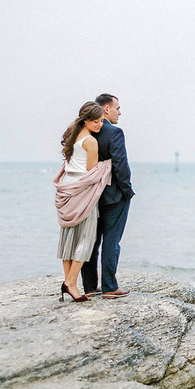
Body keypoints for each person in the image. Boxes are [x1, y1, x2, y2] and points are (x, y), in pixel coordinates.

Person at [53, 101, 112, 302]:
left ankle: (69, 283)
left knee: (69, 236)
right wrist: (108, 165)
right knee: (86, 237)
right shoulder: (91, 142)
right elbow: (92, 173)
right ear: (85, 121)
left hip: (68, 184)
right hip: (82, 188)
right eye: (95, 121)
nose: (99, 125)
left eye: (102, 121)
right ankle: (70, 283)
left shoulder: (72, 135)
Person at [81, 93, 134, 299]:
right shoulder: (114, 133)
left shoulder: (86, 132)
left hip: (90, 196)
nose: (120, 112)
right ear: (106, 109)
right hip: (113, 195)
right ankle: (110, 286)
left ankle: (89, 286)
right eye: (117, 108)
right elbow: (121, 165)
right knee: (112, 240)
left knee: (92, 241)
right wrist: (127, 191)